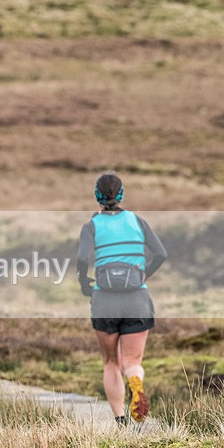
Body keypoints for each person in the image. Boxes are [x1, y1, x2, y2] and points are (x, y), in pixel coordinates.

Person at [77, 172, 167, 425]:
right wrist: (142, 275)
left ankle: (120, 421)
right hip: (137, 298)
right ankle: (135, 381)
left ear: (97, 195)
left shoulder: (91, 225)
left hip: (104, 300)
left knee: (110, 362)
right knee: (132, 362)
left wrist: (84, 282)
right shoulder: (137, 221)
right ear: (121, 194)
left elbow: (83, 258)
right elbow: (161, 253)